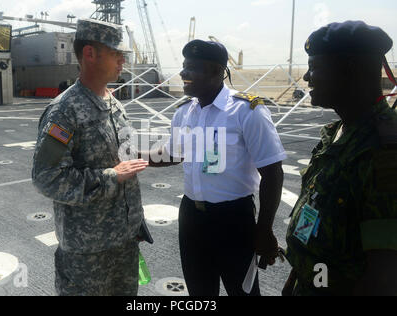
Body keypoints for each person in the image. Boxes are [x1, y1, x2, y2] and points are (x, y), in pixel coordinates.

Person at [141, 40, 287, 296]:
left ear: (217, 72)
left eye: (193, 67)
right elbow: (172, 154)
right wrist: (132, 155)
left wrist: (264, 230)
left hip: (233, 219)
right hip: (192, 218)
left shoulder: (247, 110)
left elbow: (273, 172)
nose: (184, 73)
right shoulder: (184, 112)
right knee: (199, 292)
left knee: (242, 292)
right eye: (184, 66)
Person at [32, 19, 149, 296]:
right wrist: (112, 176)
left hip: (124, 240)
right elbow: (46, 177)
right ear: (89, 53)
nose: (123, 60)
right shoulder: (64, 111)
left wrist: (150, 155)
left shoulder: (115, 104)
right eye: (115, 53)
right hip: (87, 252)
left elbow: (119, 155)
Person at [283, 21, 397, 296]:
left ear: (350, 70)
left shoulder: (385, 150)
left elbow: (384, 276)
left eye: (315, 67)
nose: (307, 78)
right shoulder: (336, 132)